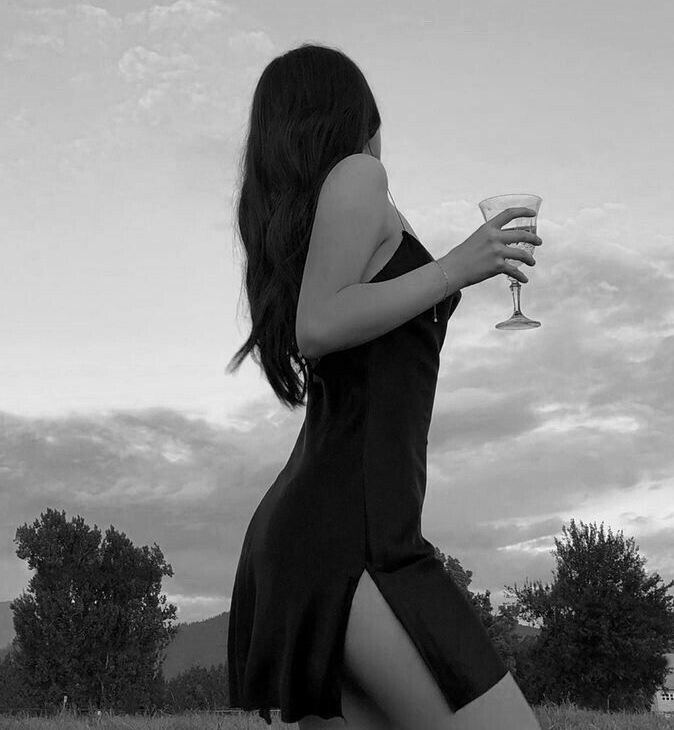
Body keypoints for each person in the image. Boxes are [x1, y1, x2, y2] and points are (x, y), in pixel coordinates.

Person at [225, 43, 543, 730]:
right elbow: (317, 325)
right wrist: (457, 267)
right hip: (356, 537)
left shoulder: (325, 216)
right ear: (354, 118)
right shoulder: (360, 176)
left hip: (318, 530)